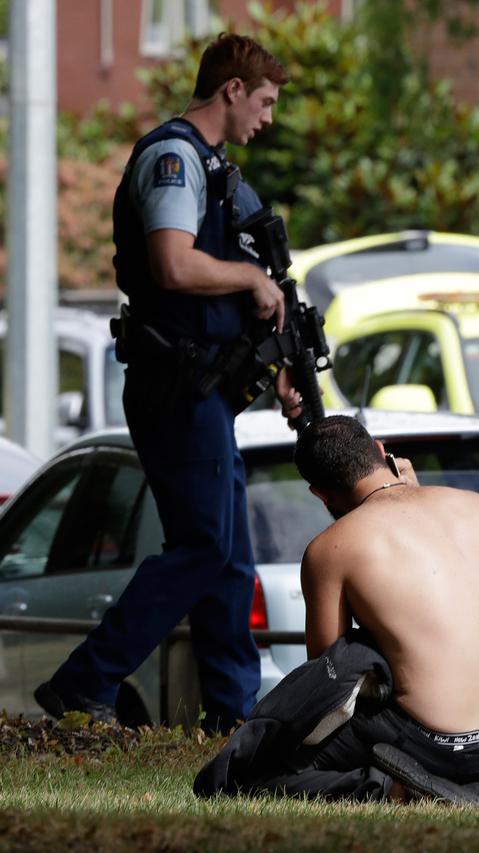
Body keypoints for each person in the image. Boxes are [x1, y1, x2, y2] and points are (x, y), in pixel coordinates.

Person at [35, 33, 302, 734]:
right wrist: (249, 277)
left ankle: (233, 714)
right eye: (266, 101)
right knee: (203, 545)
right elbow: (173, 267)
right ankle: (83, 682)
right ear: (232, 90)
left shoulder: (218, 170)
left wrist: (279, 363)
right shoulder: (175, 158)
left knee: (228, 554)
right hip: (173, 385)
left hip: (203, 388)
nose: (269, 118)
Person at [193, 414, 479, 802]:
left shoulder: (331, 548)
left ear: (320, 494)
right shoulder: (476, 506)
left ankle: (393, 790)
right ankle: (478, 785)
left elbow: (328, 676)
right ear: (380, 452)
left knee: (249, 779)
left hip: (432, 744)